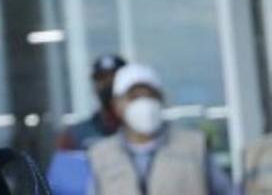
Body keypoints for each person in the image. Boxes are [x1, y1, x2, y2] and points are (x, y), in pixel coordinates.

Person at [86, 63, 231, 195]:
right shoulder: (101, 155)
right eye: (134, 97)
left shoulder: (193, 145)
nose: (143, 103)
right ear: (117, 105)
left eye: (150, 96)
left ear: (161, 100)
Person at [60, 54, 128, 151]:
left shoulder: (146, 128)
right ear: (94, 87)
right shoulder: (76, 134)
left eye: (115, 78)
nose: (109, 83)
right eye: (102, 78)